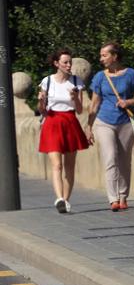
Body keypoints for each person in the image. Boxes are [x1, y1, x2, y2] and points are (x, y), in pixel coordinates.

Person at [85, 42, 134, 212]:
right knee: (110, 157)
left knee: (124, 160)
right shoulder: (100, 77)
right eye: (101, 55)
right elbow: (94, 104)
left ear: (115, 56)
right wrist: (89, 126)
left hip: (125, 122)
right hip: (104, 121)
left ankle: (123, 196)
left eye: (104, 55)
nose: (101, 59)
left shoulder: (131, 74)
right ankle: (113, 198)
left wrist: (129, 102)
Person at [38, 49, 90, 214]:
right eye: (65, 62)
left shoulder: (76, 81)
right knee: (57, 164)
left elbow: (80, 110)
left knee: (69, 166)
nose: (69, 65)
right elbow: (43, 111)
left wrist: (74, 98)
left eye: (70, 62)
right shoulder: (47, 81)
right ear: (56, 64)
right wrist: (40, 102)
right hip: (53, 122)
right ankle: (59, 198)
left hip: (70, 122)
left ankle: (66, 201)